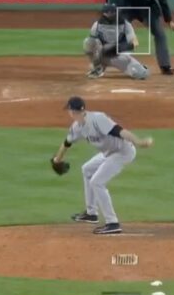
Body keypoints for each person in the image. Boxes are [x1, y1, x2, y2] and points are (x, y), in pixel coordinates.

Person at [57, 95, 153, 235]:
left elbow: (120, 131)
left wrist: (138, 142)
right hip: (108, 153)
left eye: (70, 111)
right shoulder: (77, 127)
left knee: (97, 182)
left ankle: (112, 223)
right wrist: (57, 159)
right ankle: (91, 213)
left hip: (122, 152)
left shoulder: (97, 119)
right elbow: (67, 143)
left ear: (74, 111)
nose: (69, 113)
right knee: (87, 169)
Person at [109, 0, 174, 75]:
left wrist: (169, 20)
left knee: (160, 34)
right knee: (119, 32)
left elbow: (163, 1)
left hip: (148, 8)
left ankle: (165, 65)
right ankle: (119, 62)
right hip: (128, 7)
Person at [82, 4, 150, 80]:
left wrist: (117, 48)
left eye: (112, 12)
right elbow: (92, 42)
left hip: (119, 56)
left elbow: (135, 42)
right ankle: (97, 68)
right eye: (106, 12)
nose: (109, 14)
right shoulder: (97, 25)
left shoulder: (125, 24)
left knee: (141, 74)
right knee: (88, 42)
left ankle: (139, 66)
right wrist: (104, 49)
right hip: (103, 55)